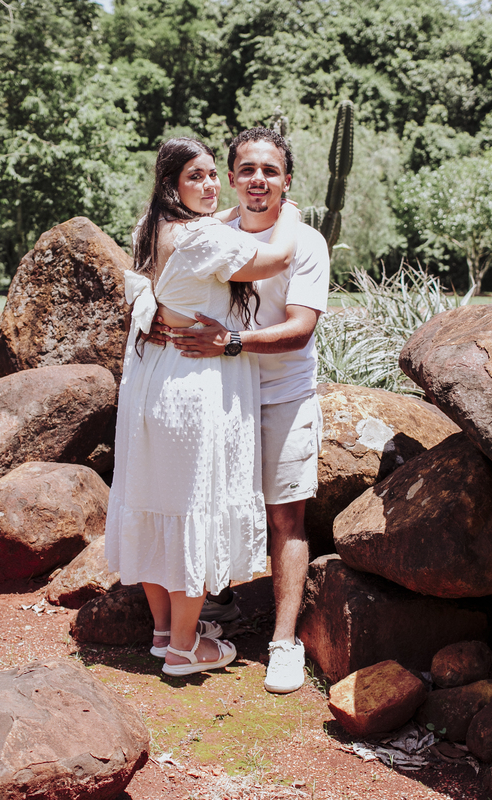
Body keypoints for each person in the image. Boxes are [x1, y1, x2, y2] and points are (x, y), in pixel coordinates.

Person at [104, 136, 300, 677]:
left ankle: (163, 632)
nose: (211, 185)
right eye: (197, 176)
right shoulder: (204, 237)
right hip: (191, 384)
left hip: (151, 379)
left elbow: (145, 292)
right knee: (193, 505)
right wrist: (289, 212)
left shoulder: (151, 228)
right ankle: (185, 649)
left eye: (214, 174)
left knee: (155, 500)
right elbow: (278, 257)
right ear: (172, 184)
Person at [154, 128, 330, 694]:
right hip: (220, 396)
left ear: (286, 180)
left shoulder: (306, 243)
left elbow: (300, 330)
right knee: (206, 504)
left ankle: (283, 643)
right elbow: (161, 281)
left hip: (281, 394)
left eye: (270, 170)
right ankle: (215, 607)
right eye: (247, 169)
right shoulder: (212, 232)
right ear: (232, 178)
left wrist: (229, 341)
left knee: (285, 518)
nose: (258, 179)